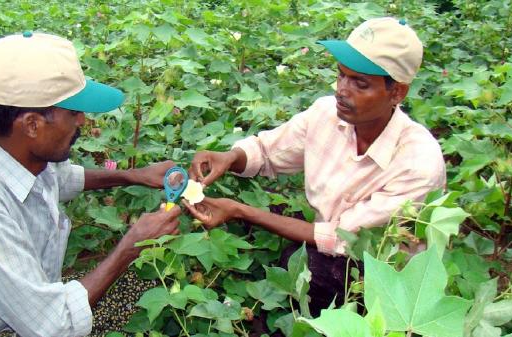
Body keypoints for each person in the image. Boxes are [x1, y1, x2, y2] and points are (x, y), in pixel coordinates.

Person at [184, 17, 446, 316]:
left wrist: (241, 211)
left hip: (379, 273)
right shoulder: (327, 114)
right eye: (341, 75)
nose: (342, 90)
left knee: (311, 273)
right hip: (331, 235)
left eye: (360, 83)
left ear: (397, 92)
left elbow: (343, 239)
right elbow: (267, 151)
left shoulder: (418, 163)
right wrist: (230, 157)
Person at [0, 32, 181, 337]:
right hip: (7, 330)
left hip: (30, 306)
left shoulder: (16, 153)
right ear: (32, 124)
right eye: (74, 113)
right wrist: (130, 245)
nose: (83, 121)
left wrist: (134, 175)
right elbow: (54, 325)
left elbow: (64, 178)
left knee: (144, 284)